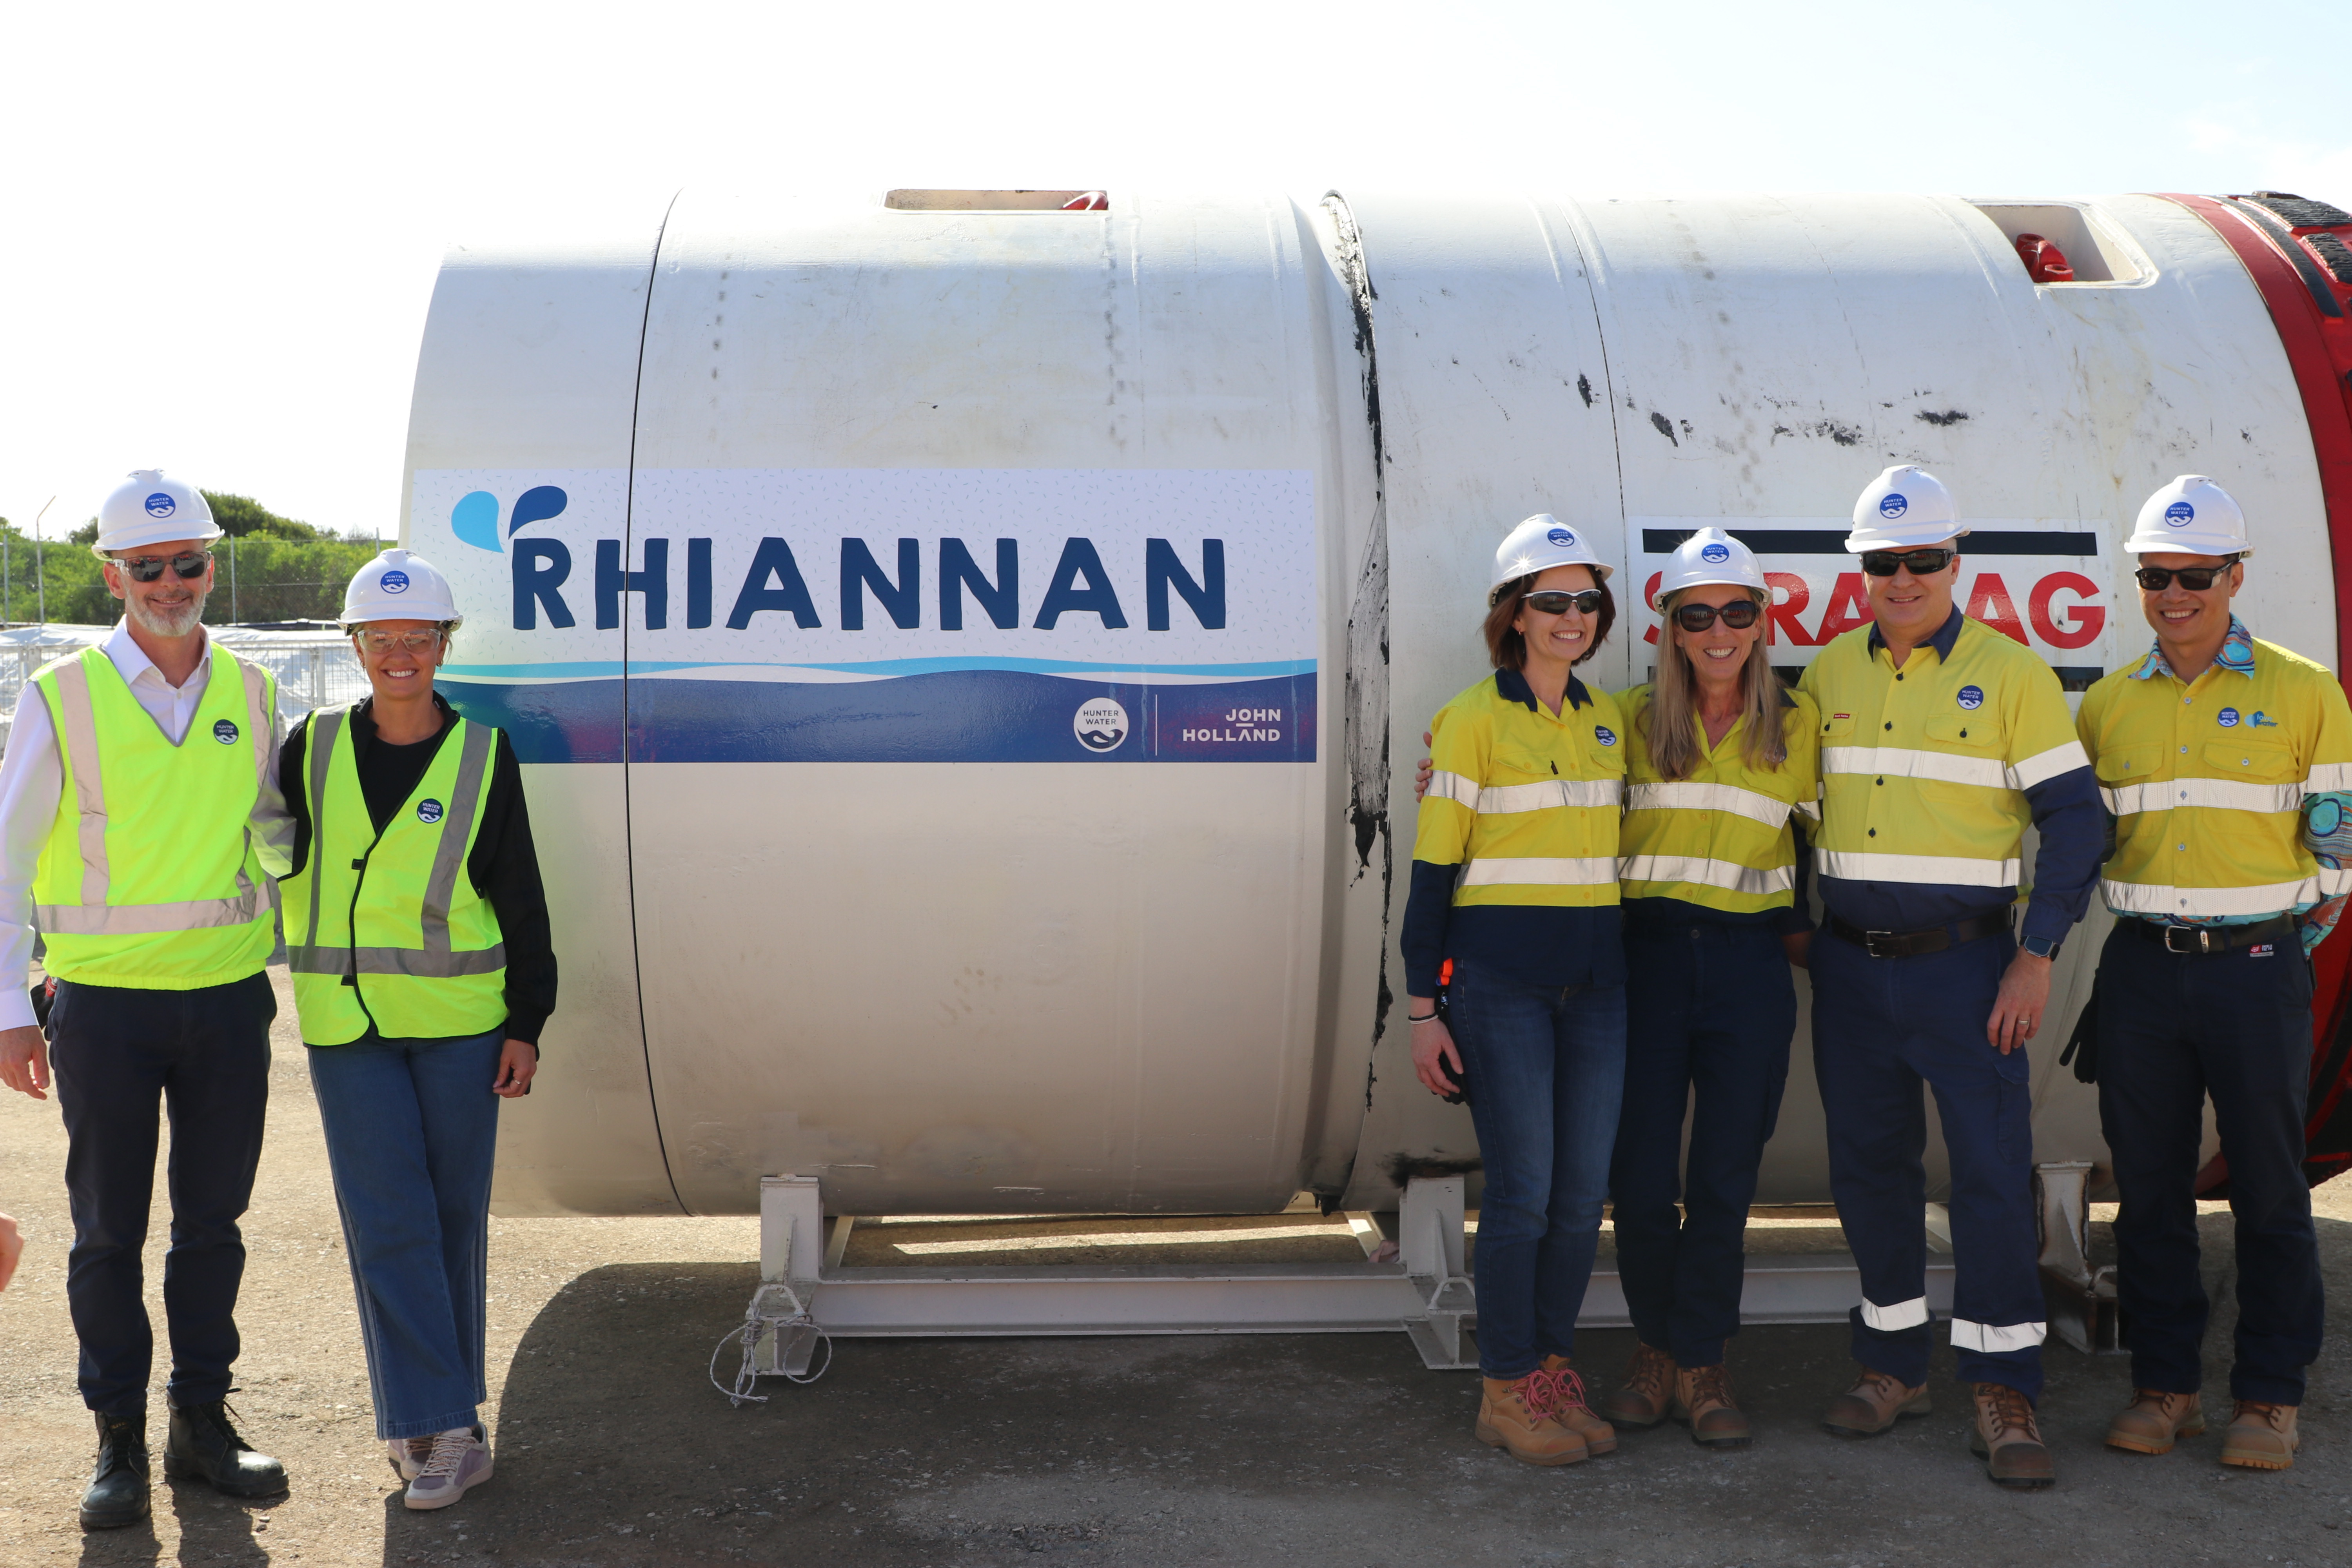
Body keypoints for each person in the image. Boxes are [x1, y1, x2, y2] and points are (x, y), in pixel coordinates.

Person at [1799, 465, 2102, 1488]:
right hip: (1850, 972)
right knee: (1868, 1172)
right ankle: (1891, 1365)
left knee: (1988, 1176)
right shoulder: (1828, 674)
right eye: (1883, 561)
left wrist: (2035, 955)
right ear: (1862, 569)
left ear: (1955, 561)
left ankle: (2003, 1386)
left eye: (1923, 559)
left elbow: (2075, 822)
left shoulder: (2012, 675)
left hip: (1970, 972)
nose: (1903, 578)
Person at [0, 470, 290, 1530]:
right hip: (105, 1007)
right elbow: (7, 856)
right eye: (149, 566)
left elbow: (278, 833)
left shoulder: (255, 691)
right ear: (112, 574)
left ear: (211, 566)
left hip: (227, 1000)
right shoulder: (61, 695)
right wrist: (9, 1005)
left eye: (190, 562)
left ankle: (200, 1421)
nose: (173, 582)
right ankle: (116, 1435)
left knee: (213, 1225)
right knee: (107, 1231)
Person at [2076, 477, 2351, 1472]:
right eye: (2157, 575)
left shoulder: (2305, 691)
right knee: (2148, 1192)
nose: (2176, 594)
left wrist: (2273, 950)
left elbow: (2338, 851)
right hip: (2142, 973)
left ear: (2236, 576)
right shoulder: (2108, 703)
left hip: (2258, 969)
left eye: (2197, 575)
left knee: (2271, 1190)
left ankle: (2270, 1397)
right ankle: (2167, 1388)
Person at [277, 548, 555, 1512]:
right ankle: (444, 1424)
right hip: (346, 1025)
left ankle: (441, 1425)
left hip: (461, 1024)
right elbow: (260, 850)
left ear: (444, 644)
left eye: (419, 635)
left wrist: (528, 1020)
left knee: (451, 1220)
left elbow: (520, 891)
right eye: (381, 636)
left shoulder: (484, 752)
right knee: (387, 1220)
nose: (401, 652)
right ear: (355, 645)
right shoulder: (309, 745)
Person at [1403, 514, 1628, 1466]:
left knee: (1580, 1199)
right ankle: (1504, 1387)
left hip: (1599, 989)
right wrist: (1424, 1010)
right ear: (1515, 614)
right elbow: (1431, 877)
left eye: (1587, 600)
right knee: (1525, 1193)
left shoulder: (1611, 720)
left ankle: (1550, 1368)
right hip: (1501, 990)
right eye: (1552, 600)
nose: (1573, 616)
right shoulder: (1470, 719)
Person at [1596, 529, 1821, 1448]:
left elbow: (1850, 835)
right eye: (1699, 615)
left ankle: (1703, 1359)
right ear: (1672, 627)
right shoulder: (1624, 719)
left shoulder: (1802, 726)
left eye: (1736, 611)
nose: (1719, 631)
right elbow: (1541, 778)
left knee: (1725, 1177)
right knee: (1642, 1178)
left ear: (1762, 621)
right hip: (1645, 963)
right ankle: (1658, 1349)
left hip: (1748, 968)